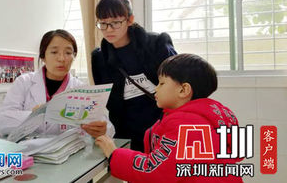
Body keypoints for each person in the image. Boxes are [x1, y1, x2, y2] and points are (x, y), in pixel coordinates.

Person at [95, 54, 243, 182]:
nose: (156, 88)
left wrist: (115, 154)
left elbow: (156, 171)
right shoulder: (203, 117)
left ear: (183, 90)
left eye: (162, 83)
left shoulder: (188, 125)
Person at [91, 0, 176, 151]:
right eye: (103, 23)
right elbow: (106, 98)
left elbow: (179, 81)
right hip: (125, 132)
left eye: (115, 22)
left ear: (130, 19)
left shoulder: (156, 44)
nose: (109, 29)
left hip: (163, 127)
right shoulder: (99, 57)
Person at [0, 29, 114, 138]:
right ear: (43, 56)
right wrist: (35, 116)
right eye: (54, 52)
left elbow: (108, 127)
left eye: (68, 53)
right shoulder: (24, 82)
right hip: (29, 153)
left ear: (74, 56)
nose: (62, 58)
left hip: (68, 155)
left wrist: (103, 130)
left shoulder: (81, 89)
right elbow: (1, 121)